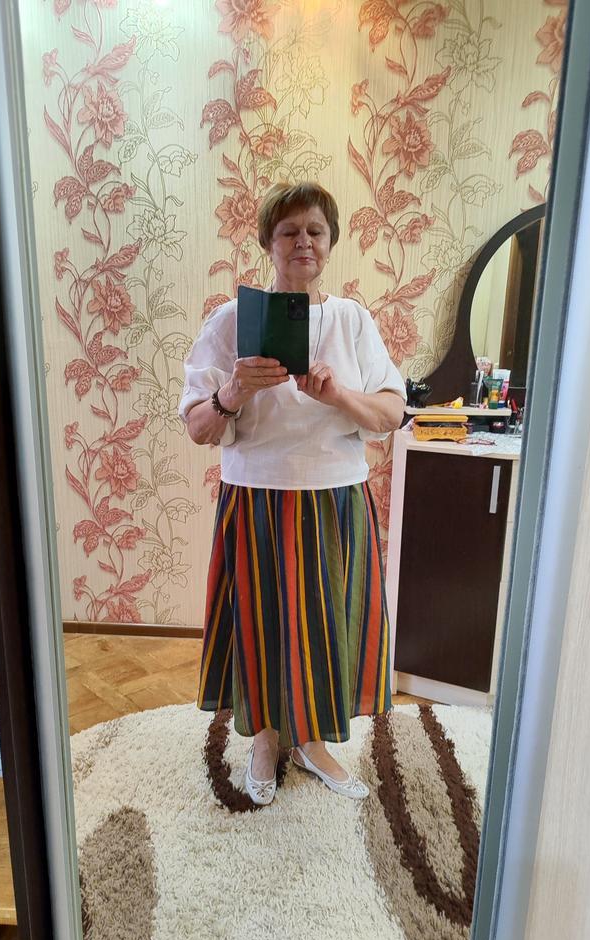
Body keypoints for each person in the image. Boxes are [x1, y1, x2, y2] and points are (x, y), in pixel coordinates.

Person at [179, 182, 406, 805]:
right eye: (289, 231)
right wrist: (234, 392)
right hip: (256, 498)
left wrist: (338, 396)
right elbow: (198, 426)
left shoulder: (352, 320)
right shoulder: (231, 322)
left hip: (335, 499)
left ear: (329, 242)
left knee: (328, 622)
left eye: (315, 230)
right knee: (262, 621)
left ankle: (312, 742)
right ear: (268, 243)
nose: (303, 241)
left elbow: (391, 413)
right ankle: (264, 738)